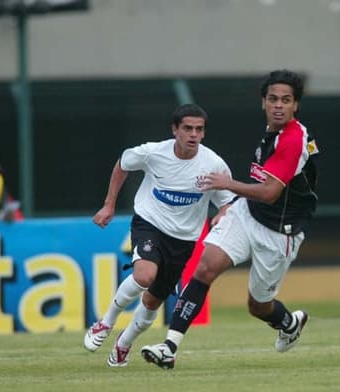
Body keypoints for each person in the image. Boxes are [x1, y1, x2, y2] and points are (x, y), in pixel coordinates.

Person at [141, 70, 320, 369]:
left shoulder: (293, 140)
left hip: (280, 233)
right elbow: (259, 195)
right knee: (204, 268)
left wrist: (227, 184)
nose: (278, 105)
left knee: (258, 306)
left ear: (295, 106)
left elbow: (270, 192)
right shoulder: (272, 132)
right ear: (263, 102)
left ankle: (289, 323)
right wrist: (233, 202)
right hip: (247, 214)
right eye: (273, 99)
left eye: (286, 100)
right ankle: (169, 347)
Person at [83, 103, 235, 367]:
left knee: (154, 300)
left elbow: (228, 199)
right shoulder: (153, 152)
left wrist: (223, 212)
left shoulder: (213, 164)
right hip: (149, 224)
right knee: (144, 275)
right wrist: (109, 204)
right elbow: (123, 164)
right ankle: (105, 322)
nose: (193, 135)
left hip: (184, 240)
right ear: (174, 129)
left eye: (199, 129)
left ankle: (124, 344)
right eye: (187, 128)